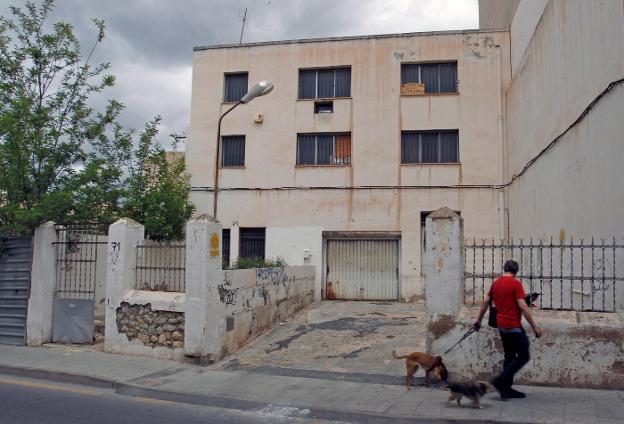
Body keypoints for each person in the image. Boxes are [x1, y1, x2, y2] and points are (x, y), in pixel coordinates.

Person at [472, 259, 542, 399]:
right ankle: (500, 381)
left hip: (501, 326)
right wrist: (535, 326)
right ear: (516, 271)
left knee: (509, 356)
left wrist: (478, 321)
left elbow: (486, 302)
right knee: (524, 356)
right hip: (513, 326)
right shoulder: (516, 284)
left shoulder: (496, 283)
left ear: (505, 269)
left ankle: (505, 389)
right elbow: (522, 306)